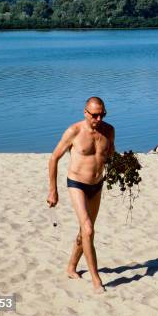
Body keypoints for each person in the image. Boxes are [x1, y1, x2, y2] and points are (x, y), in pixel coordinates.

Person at [46, 97, 115, 294]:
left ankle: (71, 267)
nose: (99, 118)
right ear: (85, 112)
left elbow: (110, 154)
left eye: (102, 114)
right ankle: (96, 280)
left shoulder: (109, 130)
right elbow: (54, 158)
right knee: (89, 229)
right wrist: (53, 190)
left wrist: (120, 163)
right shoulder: (74, 131)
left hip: (97, 185)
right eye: (94, 115)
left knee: (84, 232)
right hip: (77, 184)